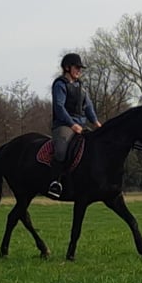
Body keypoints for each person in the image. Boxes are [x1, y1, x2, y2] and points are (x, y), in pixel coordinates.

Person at [48, 53, 102, 198]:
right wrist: (72, 125)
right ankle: (55, 182)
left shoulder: (81, 87)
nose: (79, 70)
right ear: (67, 67)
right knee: (61, 150)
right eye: (77, 67)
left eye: (80, 68)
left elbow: (88, 106)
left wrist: (97, 124)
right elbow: (59, 107)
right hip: (64, 126)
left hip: (81, 125)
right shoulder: (60, 84)